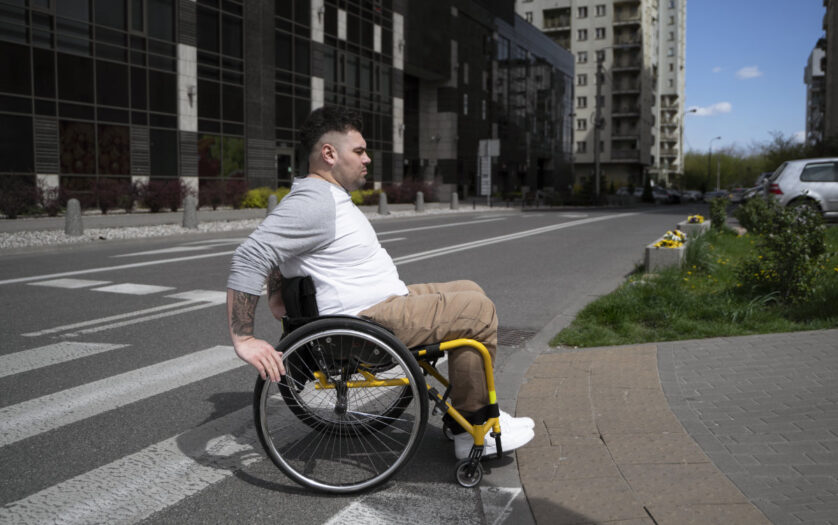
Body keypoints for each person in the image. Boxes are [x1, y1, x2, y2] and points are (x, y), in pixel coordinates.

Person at [226, 106, 533, 459]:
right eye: (359, 151)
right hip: (366, 325)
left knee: (469, 290)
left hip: (378, 308)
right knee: (477, 311)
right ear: (329, 153)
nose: (367, 159)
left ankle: (462, 419)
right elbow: (250, 255)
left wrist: (278, 295)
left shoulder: (321, 196)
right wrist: (244, 338)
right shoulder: (313, 202)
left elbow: (279, 252)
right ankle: (475, 425)